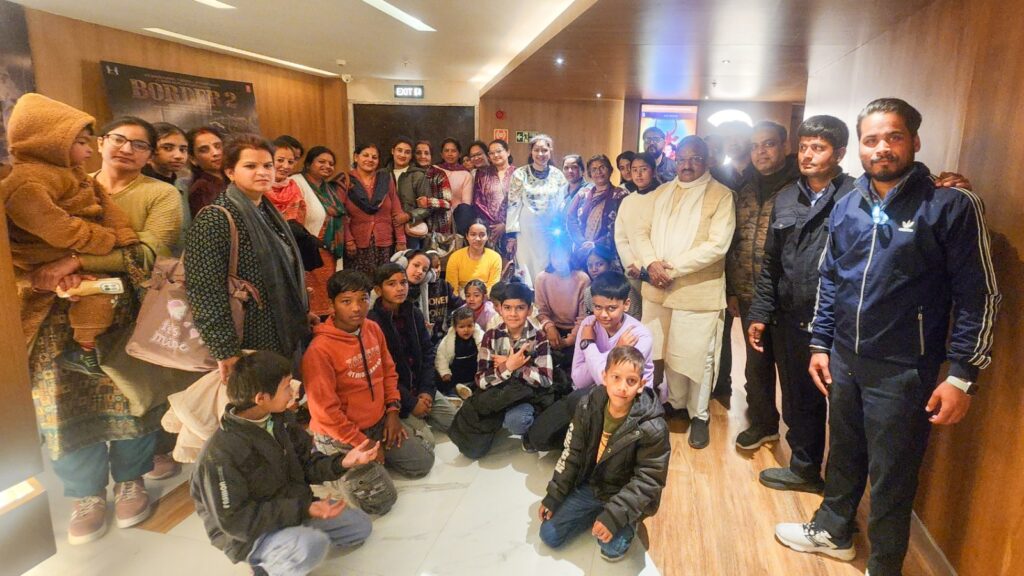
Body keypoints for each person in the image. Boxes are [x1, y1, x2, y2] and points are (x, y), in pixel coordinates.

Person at [775, 98, 1000, 575]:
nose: (882, 148)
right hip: (844, 357)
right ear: (859, 146)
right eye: (871, 139)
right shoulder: (848, 204)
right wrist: (821, 343)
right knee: (844, 453)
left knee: (892, 476)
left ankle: (884, 565)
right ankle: (834, 531)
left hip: (903, 369)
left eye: (893, 137)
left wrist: (962, 375)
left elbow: (979, 293)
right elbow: (831, 278)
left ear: (914, 141)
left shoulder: (950, 205)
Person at [20, 112, 182, 545]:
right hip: (52, 314)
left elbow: (150, 252)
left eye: (140, 144)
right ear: (101, 143)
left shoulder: (160, 194)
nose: (127, 149)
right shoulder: (64, 183)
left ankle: (131, 480)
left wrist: (75, 261)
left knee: (130, 397)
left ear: (149, 155)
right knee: (62, 404)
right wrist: (52, 273)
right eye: (118, 139)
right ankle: (85, 494)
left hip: (125, 314)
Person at [191, 351, 374, 576]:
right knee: (310, 546)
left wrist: (343, 462)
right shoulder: (219, 454)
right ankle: (265, 566)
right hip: (249, 534)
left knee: (359, 526)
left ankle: (292, 540)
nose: (293, 392)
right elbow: (235, 521)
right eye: (286, 386)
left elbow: (307, 464)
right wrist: (303, 508)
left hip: (290, 507)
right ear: (261, 398)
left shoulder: (280, 420)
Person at [3, 94, 138, 375]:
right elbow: (55, 227)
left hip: (76, 253)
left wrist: (122, 234)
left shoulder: (77, 174)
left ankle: (85, 348)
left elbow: (108, 208)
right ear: (49, 142)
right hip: (39, 256)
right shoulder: (25, 181)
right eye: (80, 143)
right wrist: (101, 240)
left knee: (101, 292)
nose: (88, 151)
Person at [303, 270, 435, 515]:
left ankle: (376, 462)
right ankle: (327, 464)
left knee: (423, 462)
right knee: (381, 502)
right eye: (346, 301)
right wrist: (364, 445)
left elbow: (389, 372)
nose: (356, 308)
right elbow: (326, 413)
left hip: (378, 421)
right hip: (341, 436)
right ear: (331, 304)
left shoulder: (372, 329)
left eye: (362, 299)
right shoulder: (319, 350)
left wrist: (393, 412)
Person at [635, 136, 735, 449]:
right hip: (658, 289)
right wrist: (652, 264)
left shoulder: (721, 195)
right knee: (668, 350)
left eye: (695, 158)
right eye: (681, 159)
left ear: (707, 160)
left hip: (698, 291)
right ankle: (677, 404)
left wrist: (671, 269)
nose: (687, 165)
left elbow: (717, 245)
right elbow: (640, 232)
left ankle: (699, 414)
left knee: (698, 355)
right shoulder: (662, 192)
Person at [185, 135, 312, 381]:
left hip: (280, 328)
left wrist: (299, 309)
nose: (262, 172)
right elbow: (204, 291)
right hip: (249, 337)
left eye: (267, 165)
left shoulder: (266, 210)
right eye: (251, 166)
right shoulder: (215, 218)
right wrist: (225, 349)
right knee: (258, 398)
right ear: (230, 172)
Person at [538, 346, 669, 562]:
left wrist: (614, 516)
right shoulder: (588, 405)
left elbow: (649, 479)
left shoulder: (653, 426)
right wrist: (555, 495)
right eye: (616, 377)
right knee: (549, 535)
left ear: (641, 385)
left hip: (623, 492)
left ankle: (628, 519)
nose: (622, 387)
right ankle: (597, 514)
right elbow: (572, 452)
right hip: (593, 485)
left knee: (611, 549)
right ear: (604, 377)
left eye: (631, 381)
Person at [727, 120, 801, 451]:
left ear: (785, 146)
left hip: (787, 296)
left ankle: (801, 442)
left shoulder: (801, 186)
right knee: (756, 364)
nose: (761, 151)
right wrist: (732, 289)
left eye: (769, 144)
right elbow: (734, 241)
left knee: (791, 368)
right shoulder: (743, 187)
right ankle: (763, 423)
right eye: (755, 146)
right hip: (748, 291)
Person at [527, 271, 655, 452]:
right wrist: (615, 352)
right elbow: (579, 380)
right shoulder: (588, 324)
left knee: (583, 405)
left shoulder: (639, 335)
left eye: (611, 308)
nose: (603, 315)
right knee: (538, 437)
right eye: (597, 307)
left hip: (629, 399)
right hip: (590, 393)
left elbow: (608, 381)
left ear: (626, 304)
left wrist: (588, 345)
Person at [448, 280, 556, 458]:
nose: (513, 314)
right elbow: (481, 380)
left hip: (524, 396)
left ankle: (528, 430)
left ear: (529, 310)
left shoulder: (539, 337)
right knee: (475, 440)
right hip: (498, 393)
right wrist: (508, 367)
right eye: (507, 308)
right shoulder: (491, 336)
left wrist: (514, 366)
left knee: (517, 421)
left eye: (520, 308)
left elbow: (546, 379)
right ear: (500, 309)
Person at [367, 262, 456, 446]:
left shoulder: (414, 313)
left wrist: (426, 391)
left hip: (421, 388)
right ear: (378, 289)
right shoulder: (372, 323)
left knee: (457, 423)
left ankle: (425, 411)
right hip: (397, 396)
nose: (400, 288)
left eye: (403, 282)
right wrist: (411, 403)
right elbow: (380, 373)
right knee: (427, 444)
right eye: (392, 284)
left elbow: (428, 353)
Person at [506, 134, 568, 286]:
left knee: (547, 265)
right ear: (531, 152)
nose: (540, 154)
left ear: (550, 151)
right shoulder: (520, 174)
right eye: (537, 150)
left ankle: (545, 297)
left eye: (544, 150)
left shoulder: (558, 175)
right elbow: (513, 204)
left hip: (549, 231)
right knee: (526, 267)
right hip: (526, 231)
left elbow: (562, 204)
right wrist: (512, 234)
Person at [292, 146, 344, 317]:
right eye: (321, 161)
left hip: (329, 249)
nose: (327, 166)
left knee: (328, 295)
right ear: (308, 164)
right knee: (311, 297)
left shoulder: (328, 188)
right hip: (308, 249)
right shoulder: (296, 182)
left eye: (331, 164)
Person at [343, 143, 407, 278]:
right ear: (356, 157)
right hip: (357, 245)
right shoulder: (346, 181)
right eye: (365, 155)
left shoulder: (385, 180)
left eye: (374, 157)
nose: (370, 160)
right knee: (360, 283)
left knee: (384, 281)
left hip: (385, 243)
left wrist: (401, 240)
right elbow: (341, 214)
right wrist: (348, 240)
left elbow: (396, 211)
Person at [614, 152, 661, 315]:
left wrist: (645, 265)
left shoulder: (662, 196)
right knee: (634, 314)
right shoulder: (627, 201)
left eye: (643, 169)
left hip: (655, 269)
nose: (638, 174)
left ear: (653, 170)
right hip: (633, 270)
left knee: (652, 317)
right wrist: (631, 263)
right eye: (634, 170)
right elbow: (620, 237)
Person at [535, 240, 589, 377]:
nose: (559, 260)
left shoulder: (582, 279)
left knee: (574, 367)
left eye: (563, 255)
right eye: (555, 256)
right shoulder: (542, 278)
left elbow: (583, 317)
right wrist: (549, 328)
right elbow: (541, 312)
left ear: (570, 256)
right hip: (552, 329)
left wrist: (569, 341)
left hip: (576, 330)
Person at [565, 154, 629, 256]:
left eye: (602, 167)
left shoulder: (620, 195)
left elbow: (621, 227)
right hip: (582, 251)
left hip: (607, 253)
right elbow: (571, 219)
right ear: (590, 174)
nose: (598, 172)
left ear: (610, 170)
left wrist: (596, 244)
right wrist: (582, 242)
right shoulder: (583, 194)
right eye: (594, 169)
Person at [398, 249, 463, 340]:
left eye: (424, 270)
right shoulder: (396, 293)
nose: (420, 271)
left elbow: (458, 304)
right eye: (416, 265)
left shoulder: (442, 286)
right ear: (404, 264)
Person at [473, 139, 515, 257]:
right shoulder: (482, 174)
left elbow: (520, 203)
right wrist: (493, 225)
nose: (495, 155)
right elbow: (478, 201)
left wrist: (505, 224)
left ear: (508, 152)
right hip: (489, 228)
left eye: (499, 151)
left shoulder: (518, 174)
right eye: (491, 153)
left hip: (511, 229)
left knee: (509, 263)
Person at [389, 136, 431, 249]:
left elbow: (427, 207)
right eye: (399, 150)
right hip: (386, 229)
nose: (402, 155)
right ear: (392, 151)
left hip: (410, 230)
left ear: (411, 155)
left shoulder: (418, 176)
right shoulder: (382, 174)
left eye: (407, 152)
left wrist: (408, 216)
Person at [581, 244, 641, 320]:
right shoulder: (588, 292)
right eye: (590, 265)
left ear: (610, 264)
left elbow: (636, 317)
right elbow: (588, 319)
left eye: (599, 264)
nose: (594, 269)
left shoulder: (625, 288)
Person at [436, 306, 484, 399]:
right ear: (455, 327)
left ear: (474, 324)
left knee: (478, 387)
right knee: (449, 386)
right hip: (456, 374)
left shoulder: (480, 337)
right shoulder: (449, 340)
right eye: (461, 327)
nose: (466, 330)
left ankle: (469, 391)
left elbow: (485, 352)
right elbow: (441, 356)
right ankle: (453, 396)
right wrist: (444, 372)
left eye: (469, 326)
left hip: (473, 373)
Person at [445, 221, 502, 293]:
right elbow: (451, 289)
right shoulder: (455, 257)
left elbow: (493, 287)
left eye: (482, 235)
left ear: (487, 236)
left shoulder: (495, 258)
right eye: (473, 234)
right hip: (460, 298)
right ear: (467, 236)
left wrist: (480, 298)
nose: (477, 239)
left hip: (485, 297)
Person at [184, 125, 226, 217]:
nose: (216, 153)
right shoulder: (200, 189)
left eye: (218, 146)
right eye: (204, 150)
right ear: (193, 159)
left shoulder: (234, 178)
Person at [415, 140, 454, 236]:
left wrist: (428, 202)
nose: (422, 156)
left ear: (431, 156)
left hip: (438, 230)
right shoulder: (409, 174)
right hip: (414, 226)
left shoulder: (439, 174)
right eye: (418, 153)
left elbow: (447, 203)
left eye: (426, 153)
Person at [436, 138, 475, 234]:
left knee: (465, 209)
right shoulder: (435, 170)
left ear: (459, 154)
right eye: (446, 151)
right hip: (437, 213)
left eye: (453, 151)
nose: (450, 154)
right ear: (441, 154)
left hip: (458, 217)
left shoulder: (466, 174)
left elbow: (466, 203)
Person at [710, 120, 756, 192]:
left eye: (739, 136)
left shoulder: (762, 171)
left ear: (750, 140)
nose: (733, 143)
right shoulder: (715, 174)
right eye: (727, 138)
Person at [143, 122, 187, 186]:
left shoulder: (180, 183)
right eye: (167, 148)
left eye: (183, 149)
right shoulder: (142, 184)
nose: (179, 156)